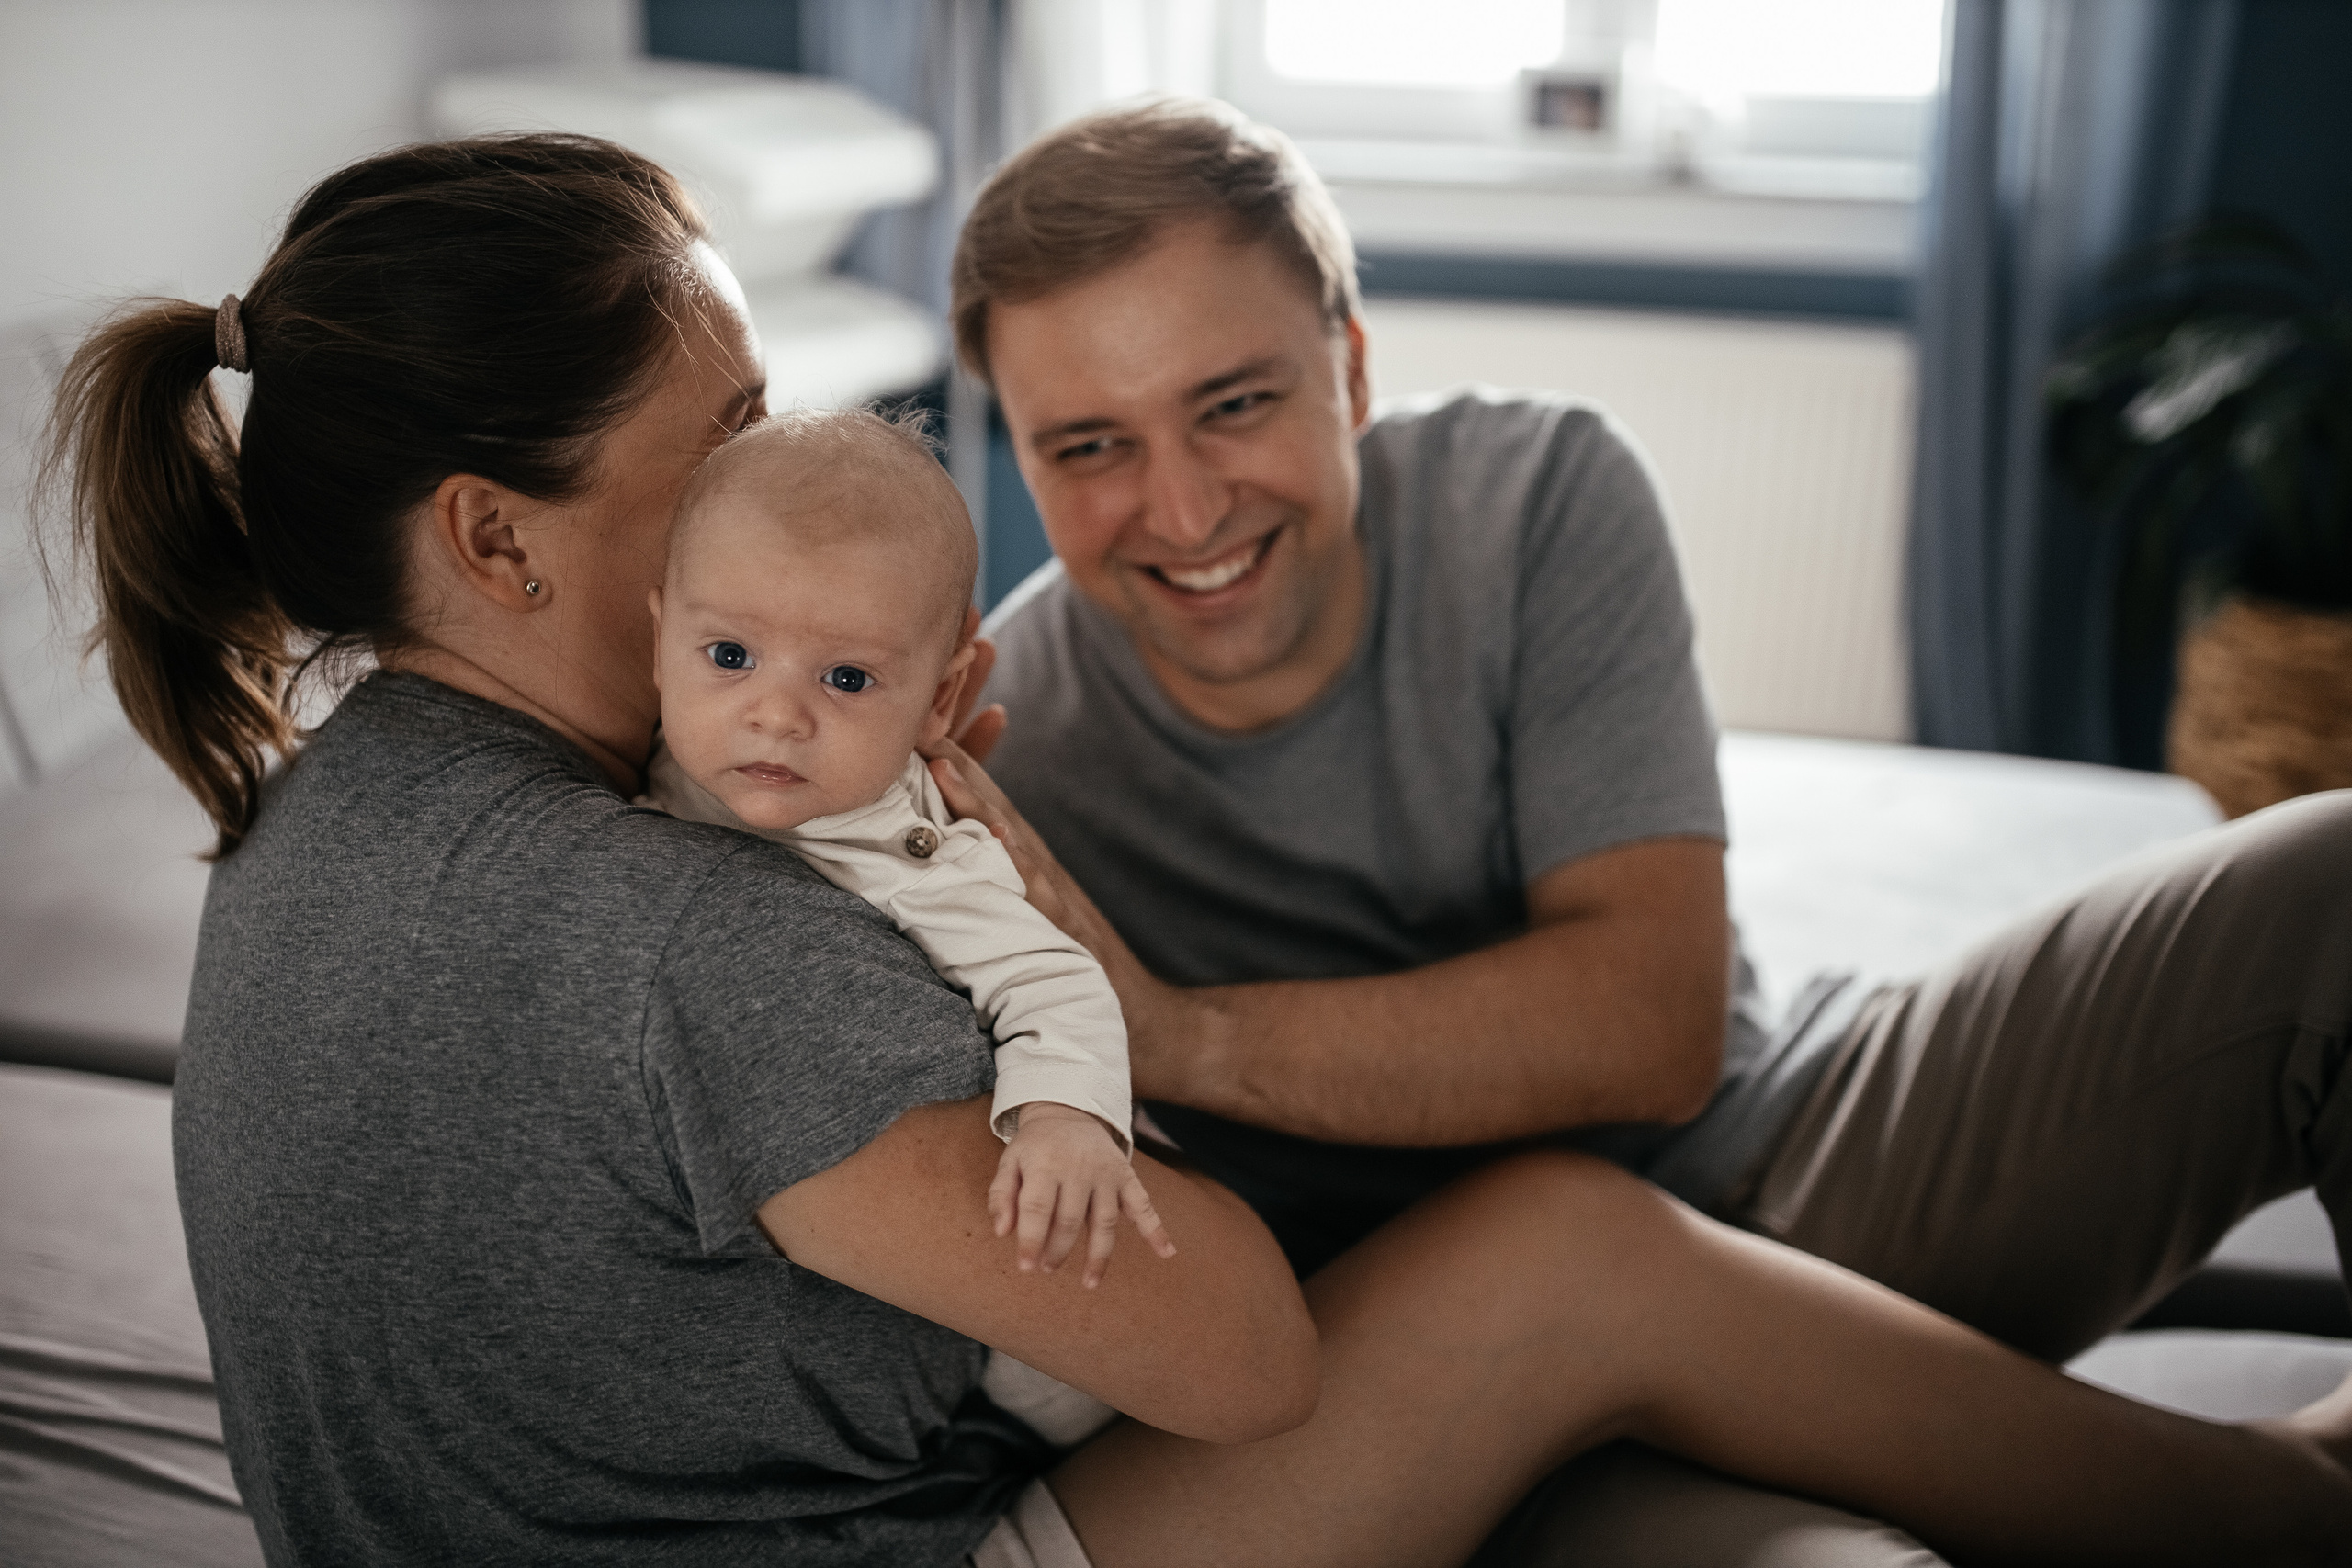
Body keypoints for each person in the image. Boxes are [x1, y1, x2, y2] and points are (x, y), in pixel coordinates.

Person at [43, 130, 2352, 1568]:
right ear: (493, 538)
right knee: (1571, 1271)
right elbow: (1237, 1346)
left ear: (1347, 368)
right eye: (733, 429)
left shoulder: (295, 821)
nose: (789, 480)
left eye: (1236, 398)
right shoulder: (709, 901)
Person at [942, 97, 2352, 1558]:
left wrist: (1178, 1033)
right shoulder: (1004, 749)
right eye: (1091, 445)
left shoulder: (1537, 494)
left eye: (1234, 403)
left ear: (1349, 373)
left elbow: (1652, 1026)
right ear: (1026, 463)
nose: (1179, 507)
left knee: (2331, 883)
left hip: (1783, 1161)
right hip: (1470, 1369)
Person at [641, 408, 1169, 1308]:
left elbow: (1054, 980)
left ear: (942, 696)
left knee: (1049, 1330)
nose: (776, 715)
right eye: (730, 655)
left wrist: (1064, 1118)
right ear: (659, 643)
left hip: (1021, 1184)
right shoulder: (646, 767)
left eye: (846, 678)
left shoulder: (913, 848)